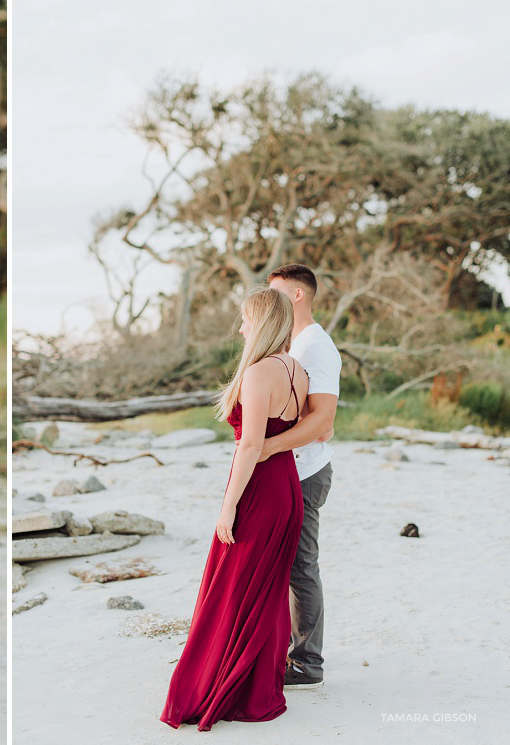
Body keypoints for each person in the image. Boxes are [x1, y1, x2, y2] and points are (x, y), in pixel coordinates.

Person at [161, 286, 309, 732]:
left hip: (260, 491)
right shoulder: (297, 370)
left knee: (231, 586)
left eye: (246, 319)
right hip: (287, 486)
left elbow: (249, 447)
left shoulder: (259, 372)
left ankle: (223, 686)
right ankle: (259, 684)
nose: (241, 327)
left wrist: (227, 509)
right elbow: (289, 434)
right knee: (266, 591)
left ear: (262, 323)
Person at [263, 264, 342, 689]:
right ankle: (283, 651)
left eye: (275, 292)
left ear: (297, 296)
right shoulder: (293, 343)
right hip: (288, 470)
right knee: (285, 566)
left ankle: (308, 663)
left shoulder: (315, 347)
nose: (268, 299)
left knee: (301, 568)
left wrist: (268, 448)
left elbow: (323, 421)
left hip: (305, 473)